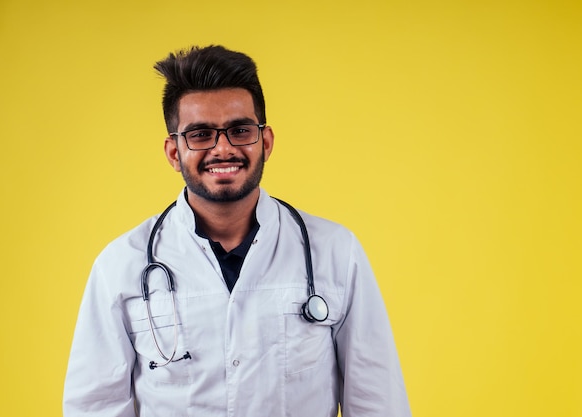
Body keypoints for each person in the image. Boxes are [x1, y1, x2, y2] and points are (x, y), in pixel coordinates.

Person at [63, 45, 411, 417]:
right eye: (200, 134)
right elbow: (95, 407)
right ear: (173, 152)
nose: (223, 148)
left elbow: (378, 401)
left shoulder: (336, 252)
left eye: (240, 130)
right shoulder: (121, 266)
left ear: (266, 141)